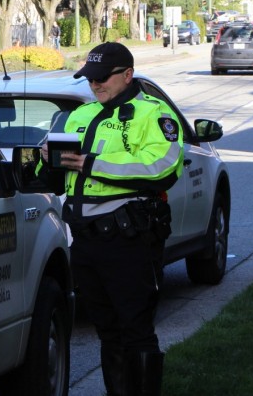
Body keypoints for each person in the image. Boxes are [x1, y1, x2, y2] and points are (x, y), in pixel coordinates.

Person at [38, 42, 183, 396]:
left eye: (102, 78)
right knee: (107, 330)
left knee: (136, 329)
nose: (95, 85)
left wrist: (91, 163)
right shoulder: (80, 115)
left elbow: (163, 168)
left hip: (129, 239)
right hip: (86, 240)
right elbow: (55, 179)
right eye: (90, 78)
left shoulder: (153, 113)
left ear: (127, 75)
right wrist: (46, 158)